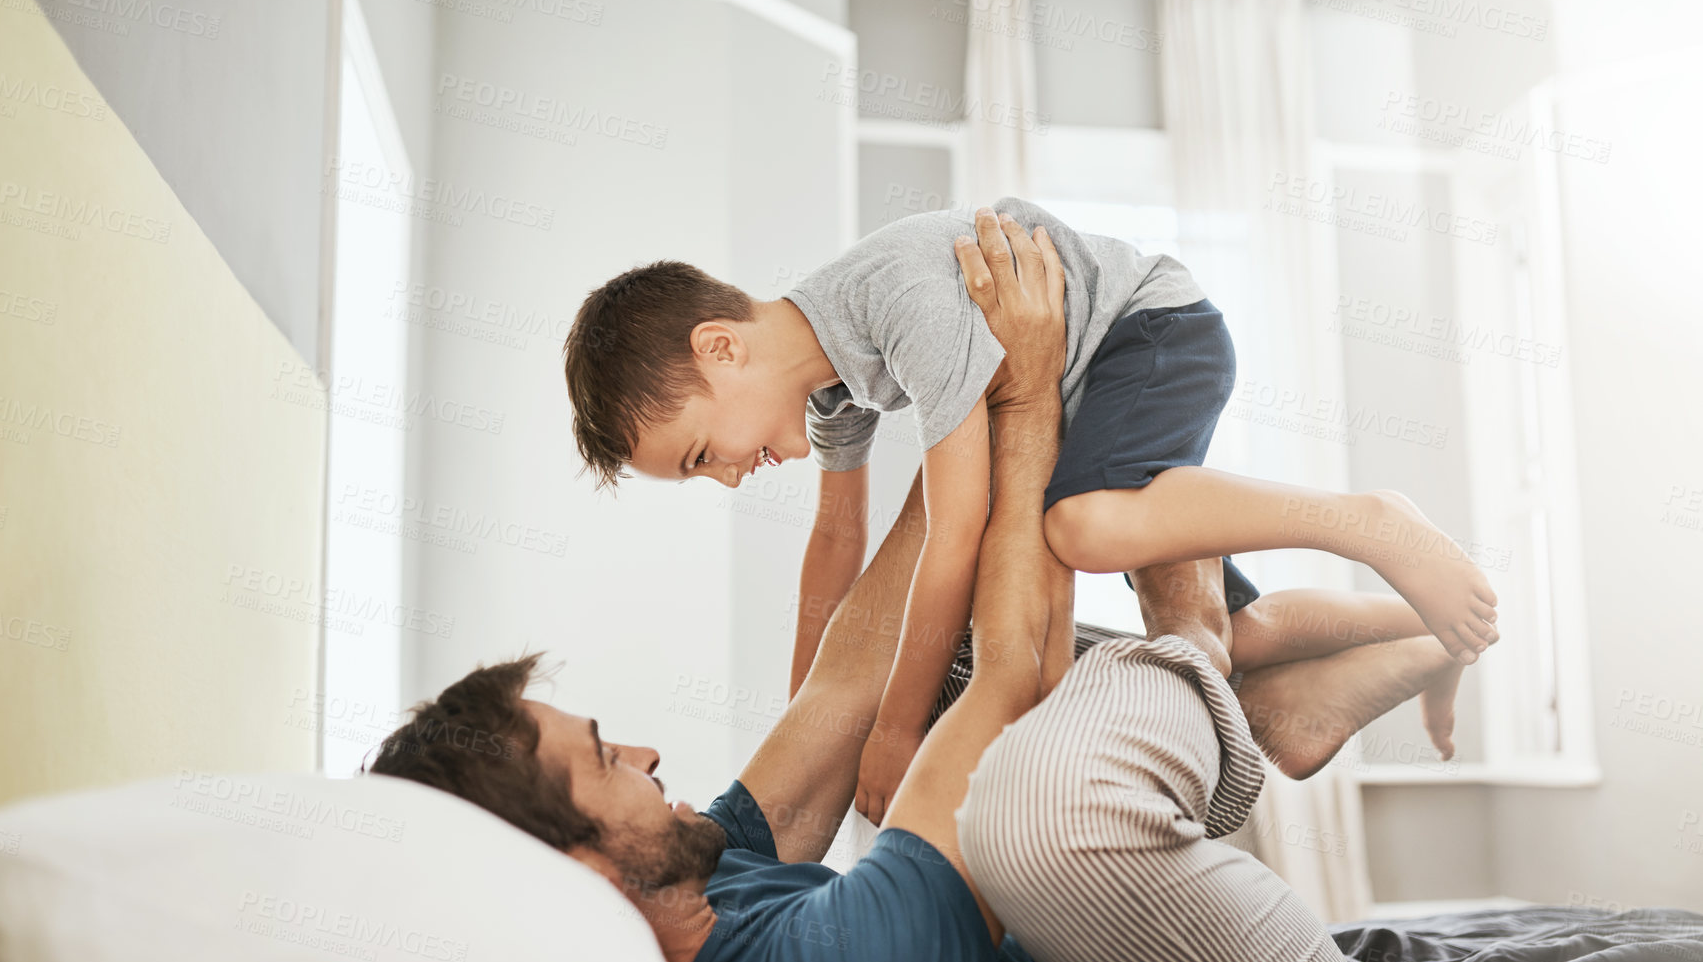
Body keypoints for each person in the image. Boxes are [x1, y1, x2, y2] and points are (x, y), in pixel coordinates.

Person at [373, 219, 1465, 962]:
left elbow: (849, 666)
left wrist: (975, 398)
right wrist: (1028, 389)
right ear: (583, 874)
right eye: (606, 758)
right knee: (1023, 808)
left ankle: (1274, 701)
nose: (649, 753)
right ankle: (1211, 652)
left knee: (920, 667)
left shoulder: (699, 875)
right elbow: (1014, 673)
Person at [561, 200, 1497, 822]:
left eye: (698, 455)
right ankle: (1431, 631)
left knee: (1080, 527)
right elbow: (833, 541)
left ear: (720, 348)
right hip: (1096, 393)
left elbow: (959, 527)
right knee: (1236, 633)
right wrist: (813, 720)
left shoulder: (896, 303)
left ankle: (1368, 519)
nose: (726, 476)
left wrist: (891, 730)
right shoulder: (832, 391)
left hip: (1145, 335)